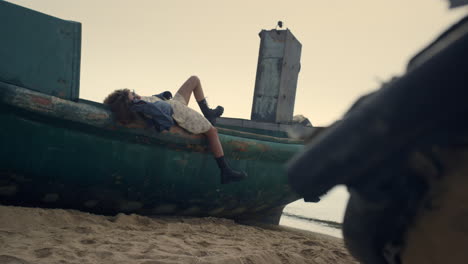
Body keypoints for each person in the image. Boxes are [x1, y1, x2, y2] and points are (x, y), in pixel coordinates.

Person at [103, 76, 247, 184]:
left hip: (173, 103)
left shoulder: (140, 103)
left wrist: (161, 96)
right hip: (178, 112)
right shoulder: (141, 106)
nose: (137, 94)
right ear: (132, 103)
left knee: (194, 80)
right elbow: (163, 121)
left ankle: (208, 112)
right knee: (212, 132)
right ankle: (225, 170)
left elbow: (152, 103)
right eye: (133, 94)